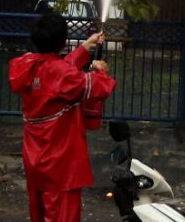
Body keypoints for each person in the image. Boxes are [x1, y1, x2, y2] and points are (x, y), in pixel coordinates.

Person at [9, 13, 116, 222]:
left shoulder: (28, 65)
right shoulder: (62, 75)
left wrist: (85, 48)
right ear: (64, 42)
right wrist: (100, 71)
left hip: (35, 161)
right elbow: (100, 87)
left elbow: (56, 69)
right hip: (61, 167)